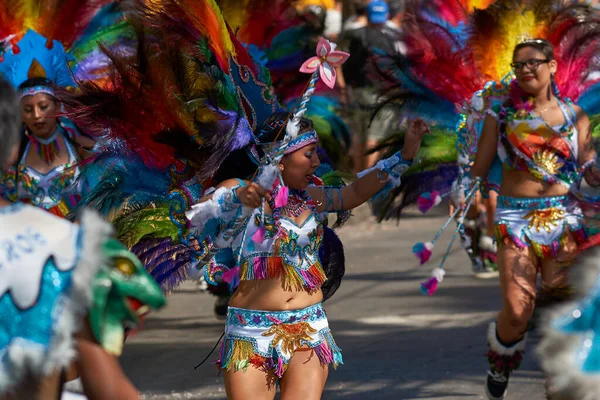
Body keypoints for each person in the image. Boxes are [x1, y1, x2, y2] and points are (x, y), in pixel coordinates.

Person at [186, 111, 429, 399]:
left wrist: (407, 152)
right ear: (279, 158)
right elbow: (194, 218)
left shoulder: (311, 198)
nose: (316, 162)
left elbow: (353, 193)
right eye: (309, 154)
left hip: (308, 328)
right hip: (251, 332)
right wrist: (234, 200)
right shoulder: (239, 191)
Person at [0, 77, 166, 400]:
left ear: (58, 108)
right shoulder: (17, 168)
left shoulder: (83, 147)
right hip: (53, 255)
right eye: (27, 109)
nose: (36, 115)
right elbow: (109, 388)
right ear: (10, 147)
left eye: (43, 107)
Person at [470, 38, 599, 400]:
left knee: (560, 307)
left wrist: (594, 173)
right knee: (517, 310)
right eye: (519, 65)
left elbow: (587, 166)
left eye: (534, 63)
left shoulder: (575, 116)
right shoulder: (502, 116)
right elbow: (479, 169)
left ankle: (558, 383)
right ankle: (501, 359)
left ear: (553, 66)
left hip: (564, 219)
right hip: (514, 220)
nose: (526, 70)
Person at [340, 0, 405, 172]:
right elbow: (401, 68)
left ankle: (356, 177)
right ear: (386, 16)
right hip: (380, 94)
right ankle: (364, 182)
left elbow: (345, 65)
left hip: (358, 92)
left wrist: (346, 87)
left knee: (360, 136)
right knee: (374, 138)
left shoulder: (354, 35)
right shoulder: (393, 37)